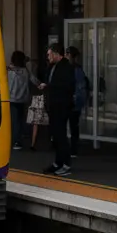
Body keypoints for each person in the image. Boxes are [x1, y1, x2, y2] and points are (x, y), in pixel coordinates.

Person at [39, 43, 75, 176]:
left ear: (55, 54)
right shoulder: (53, 67)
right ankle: (58, 162)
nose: (47, 57)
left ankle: (66, 164)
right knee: (55, 135)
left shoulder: (66, 67)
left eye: (49, 54)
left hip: (62, 105)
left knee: (61, 136)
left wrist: (49, 86)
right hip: (53, 105)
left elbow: (67, 86)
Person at [6, 50, 33, 150]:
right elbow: (33, 79)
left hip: (12, 98)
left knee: (14, 121)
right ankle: (19, 140)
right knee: (21, 120)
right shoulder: (25, 71)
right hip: (23, 99)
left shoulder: (10, 71)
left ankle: (15, 141)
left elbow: (9, 85)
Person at [67, 46, 89, 157]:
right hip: (74, 101)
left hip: (72, 101)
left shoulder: (74, 69)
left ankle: (73, 148)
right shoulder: (78, 69)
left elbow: (79, 87)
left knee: (72, 125)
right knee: (74, 125)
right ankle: (73, 148)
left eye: (67, 54)